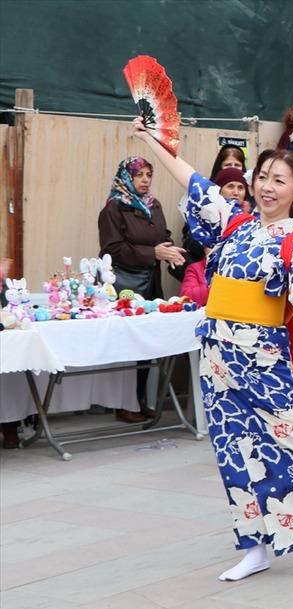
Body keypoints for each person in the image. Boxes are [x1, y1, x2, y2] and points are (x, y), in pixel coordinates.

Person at [131, 116, 293, 582]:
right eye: (262, 178)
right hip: (218, 359)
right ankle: (255, 545)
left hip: (264, 361)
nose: (267, 187)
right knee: (233, 450)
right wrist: (153, 140)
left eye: (279, 180)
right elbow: (194, 180)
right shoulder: (233, 225)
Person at [98, 155, 184, 423]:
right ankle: (123, 405)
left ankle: (139, 400)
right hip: (124, 286)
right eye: (139, 175)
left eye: (149, 175)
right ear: (127, 178)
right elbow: (112, 250)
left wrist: (169, 250)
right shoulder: (114, 209)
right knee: (126, 347)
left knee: (145, 344)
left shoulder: (153, 205)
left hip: (150, 283)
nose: (145, 180)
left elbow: (161, 235)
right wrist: (153, 253)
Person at [181, 168, 250, 307]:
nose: (236, 192)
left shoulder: (252, 221)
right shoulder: (203, 220)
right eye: (230, 186)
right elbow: (186, 296)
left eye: (240, 187)